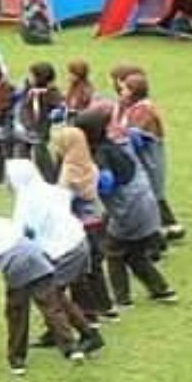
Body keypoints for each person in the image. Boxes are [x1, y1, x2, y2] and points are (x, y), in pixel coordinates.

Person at [0, 199, 85, 375]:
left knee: (16, 312)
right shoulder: (0, 222)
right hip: (37, 258)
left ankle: (17, 359)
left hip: (16, 268)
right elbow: (27, 231)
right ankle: (71, 348)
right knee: (51, 307)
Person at [71, 109, 176, 307]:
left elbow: (106, 183)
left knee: (113, 251)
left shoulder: (101, 154)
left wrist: (84, 183)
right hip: (146, 203)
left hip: (128, 210)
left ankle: (122, 299)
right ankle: (162, 290)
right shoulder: (118, 144)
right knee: (134, 253)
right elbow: (142, 141)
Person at [3, 159, 105, 358]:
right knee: (54, 294)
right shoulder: (49, 190)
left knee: (51, 296)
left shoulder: (27, 199)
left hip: (64, 249)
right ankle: (68, 333)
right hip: (76, 242)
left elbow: (24, 232)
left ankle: (86, 336)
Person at [48, 125, 115, 319]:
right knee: (95, 266)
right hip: (97, 218)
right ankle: (105, 306)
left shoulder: (69, 170)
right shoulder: (90, 165)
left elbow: (62, 197)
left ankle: (87, 311)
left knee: (81, 271)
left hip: (80, 223)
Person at [117, 71, 181, 239]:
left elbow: (135, 134)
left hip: (148, 160)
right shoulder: (134, 107)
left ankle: (155, 235)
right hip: (143, 159)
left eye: (124, 89)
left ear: (133, 91)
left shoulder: (143, 110)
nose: (121, 92)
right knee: (151, 195)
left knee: (150, 194)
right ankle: (169, 226)